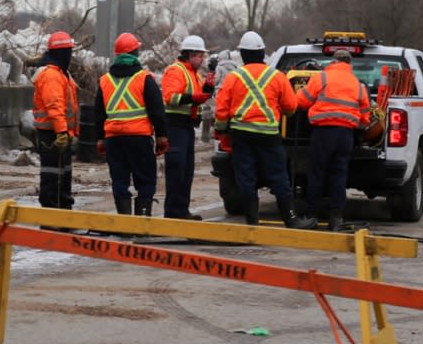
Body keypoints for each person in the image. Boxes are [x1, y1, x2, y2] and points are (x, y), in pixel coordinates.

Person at [214, 31, 317, 229]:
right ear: (262, 53)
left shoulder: (233, 77)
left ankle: (252, 222)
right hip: (269, 136)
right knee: (279, 177)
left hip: (242, 136)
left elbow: (221, 110)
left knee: (246, 178)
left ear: (243, 54)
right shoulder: (277, 77)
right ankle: (291, 219)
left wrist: (223, 129)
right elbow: (290, 107)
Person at [94, 33, 169, 216]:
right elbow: (156, 110)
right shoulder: (144, 79)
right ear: (136, 52)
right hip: (139, 138)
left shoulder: (105, 81)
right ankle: (142, 220)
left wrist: (100, 139)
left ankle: (124, 222)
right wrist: (161, 135)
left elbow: (98, 114)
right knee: (145, 179)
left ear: (117, 55)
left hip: (114, 140)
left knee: (119, 180)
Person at [296, 49, 370, 231]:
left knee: (317, 172)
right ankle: (336, 217)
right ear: (349, 64)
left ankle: (311, 215)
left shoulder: (322, 78)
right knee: (339, 174)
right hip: (345, 135)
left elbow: (302, 101)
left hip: (323, 133)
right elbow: (365, 118)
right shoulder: (358, 85)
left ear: (333, 62)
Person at [161, 35, 215, 220]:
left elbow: (200, 96)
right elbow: (171, 97)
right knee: (177, 170)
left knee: (186, 171)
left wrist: (207, 88)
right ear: (191, 55)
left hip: (187, 128)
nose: (202, 60)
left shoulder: (194, 73)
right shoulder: (176, 71)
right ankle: (173, 212)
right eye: (200, 56)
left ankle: (181, 211)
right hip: (175, 128)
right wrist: (194, 98)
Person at [32, 31, 79, 211]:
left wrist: (69, 133)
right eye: (68, 51)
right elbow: (55, 106)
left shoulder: (61, 73)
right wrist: (61, 132)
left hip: (60, 134)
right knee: (53, 176)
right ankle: (52, 213)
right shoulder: (52, 75)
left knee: (63, 175)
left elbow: (69, 107)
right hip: (52, 135)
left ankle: (63, 211)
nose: (70, 55)